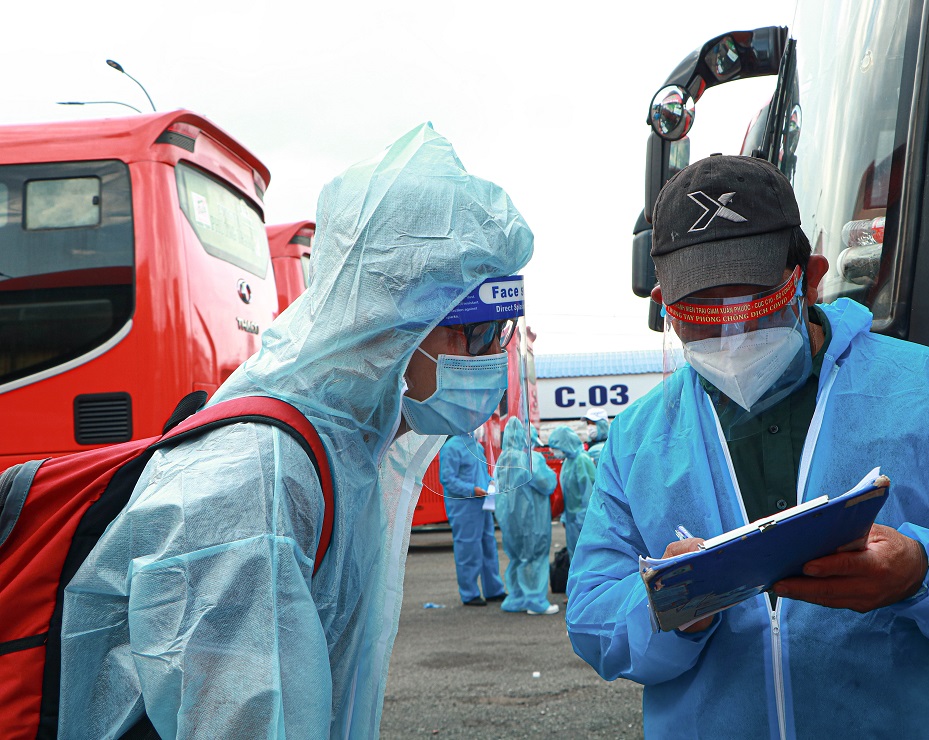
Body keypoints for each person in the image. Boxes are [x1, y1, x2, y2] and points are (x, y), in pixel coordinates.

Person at [57, 123, 534, 739]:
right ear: (396, 320)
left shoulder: (346, 450)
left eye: (504, 330)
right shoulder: (258, 480)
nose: (494, 355)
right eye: (480, 330)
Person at [565, 154, 929, 738]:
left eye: (755, 306)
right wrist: (670, 607)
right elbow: (593, 612)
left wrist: (923, 571)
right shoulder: (637, 439)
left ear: (810, 278)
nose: (729, 336)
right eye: (697, 314)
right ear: (662, 304)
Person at [494, 417, 559, 615]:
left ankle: (517, 598)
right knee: (534, 557)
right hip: (532, 518)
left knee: (517, 557)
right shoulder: (531, 459)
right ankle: (535, 601)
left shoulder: (502, 459)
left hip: (510, 520)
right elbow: (547, 483)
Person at [439, 433, 506, 606]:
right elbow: (447, 479)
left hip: (482, 503)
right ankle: (469, 593)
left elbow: (481, 474)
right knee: (468, 550)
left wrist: (491, 483)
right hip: (464, 507)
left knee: (488, 547)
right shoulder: (451, 447)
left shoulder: (476, 445)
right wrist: (471, 489)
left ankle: (493, 590)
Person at [547, 425, 596, 560]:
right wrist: (565, 517)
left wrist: (584, 519)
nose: (553, 451)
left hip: (582, 520)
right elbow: (567, 493)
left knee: (586, 559)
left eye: (555, 447)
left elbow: (589, 493)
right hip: (572, 520)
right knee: (575, 558)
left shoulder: (582, 460)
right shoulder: (568, 462)